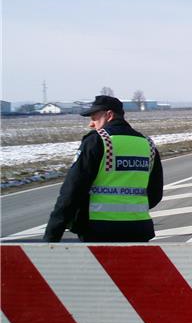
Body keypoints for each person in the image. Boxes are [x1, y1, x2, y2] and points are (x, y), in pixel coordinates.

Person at [43, 95, 163, 242]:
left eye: (94, 118)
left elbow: (72, 191)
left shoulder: (97, 141)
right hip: (139, 228)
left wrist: (52, 236)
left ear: (109, 115)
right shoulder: (147, 144)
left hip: (99, 230)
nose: (91, 124)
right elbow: (155, 193)